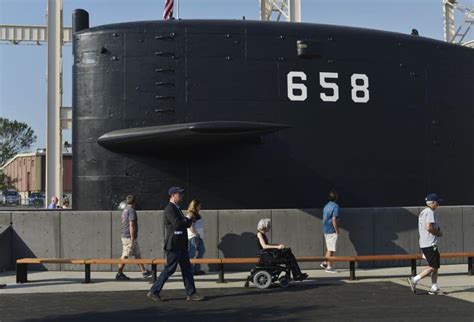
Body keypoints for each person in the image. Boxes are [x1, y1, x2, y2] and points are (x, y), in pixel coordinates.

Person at [148, 187, 204, 302]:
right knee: (170, 269)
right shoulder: (170, 208)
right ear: (173, 195)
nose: (182, 196)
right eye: (180, 194)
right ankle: (154, 291)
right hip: (173, 245)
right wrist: (188, 218)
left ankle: (191, 293)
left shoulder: (177, 208)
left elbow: (186, 225)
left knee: (187, 269)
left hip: (181, 245)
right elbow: (178, 224)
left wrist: (187, 220)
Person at [407, 193, 444, 295]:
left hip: (426, 243)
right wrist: (438, 233)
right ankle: (414, 279)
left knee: (435, 266)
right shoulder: (429, 212)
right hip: (430, 244)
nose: (438, 205)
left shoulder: (424, 212)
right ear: (433, 203)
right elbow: (429, 227)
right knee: (432, 266)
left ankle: (434, 287)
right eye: (437, 203)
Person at [116, 195, 152, 280]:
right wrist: (132, 237)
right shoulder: (131, 211)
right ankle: (119, 274)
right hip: (129, 237)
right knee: (125, 255)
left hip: (128, 236)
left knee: (137, 254)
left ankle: (144, 272)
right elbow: (131, 224)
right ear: (135, 202)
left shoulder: (125, 210)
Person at [321, 190, 340, 273]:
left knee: (329, 247)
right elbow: (334, 219)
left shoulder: (326, 206)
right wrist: (336, 230)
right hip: (331, 230)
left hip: (325, 229)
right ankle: (329, 267)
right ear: (336, 198)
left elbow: (324, 218)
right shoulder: (335, 206)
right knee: (331, 249)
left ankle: (324, 263)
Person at [186, 199, 206, 275]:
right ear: (195, 206)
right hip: (193, 237)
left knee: (202, 250)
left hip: (199, 237)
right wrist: (195, 233)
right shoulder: (191, 214)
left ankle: (196, 269)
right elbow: (189, 225)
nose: (200, 207)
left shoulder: (197, 214)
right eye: (199, 205)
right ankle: (190, 270)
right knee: (191, 253)